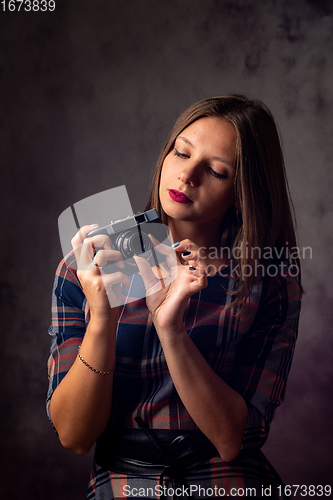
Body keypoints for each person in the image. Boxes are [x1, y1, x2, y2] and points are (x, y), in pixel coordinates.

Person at [47, 95, 302, 499]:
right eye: (181, 153)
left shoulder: (269, 282)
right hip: (124, 483)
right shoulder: (87, 267)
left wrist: (171, 331)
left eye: (216, 171)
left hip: (225, 481)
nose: (187, 175)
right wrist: (103, 316)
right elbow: (75, 436)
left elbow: (232, 439)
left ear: (241, 193)